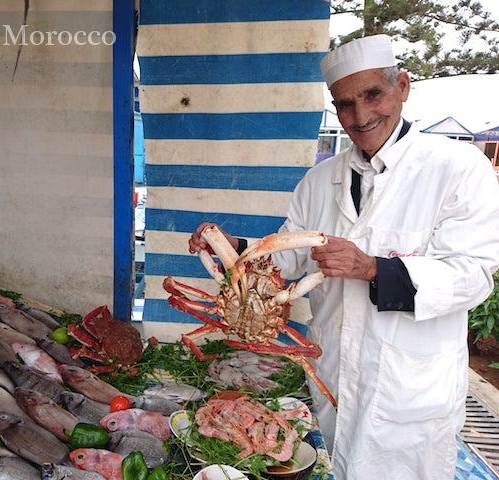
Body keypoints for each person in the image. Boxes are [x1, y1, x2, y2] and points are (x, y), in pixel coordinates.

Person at [188, 34, 499, 479]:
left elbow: (472, 276)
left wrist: (371, 267)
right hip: (332, 373)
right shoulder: (318, 180)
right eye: (344, 104)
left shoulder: (457, 168)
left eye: (373, 94)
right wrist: (228, 245)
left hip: (408, 390)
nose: (360, 115)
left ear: (403, 87)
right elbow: (287, 259)